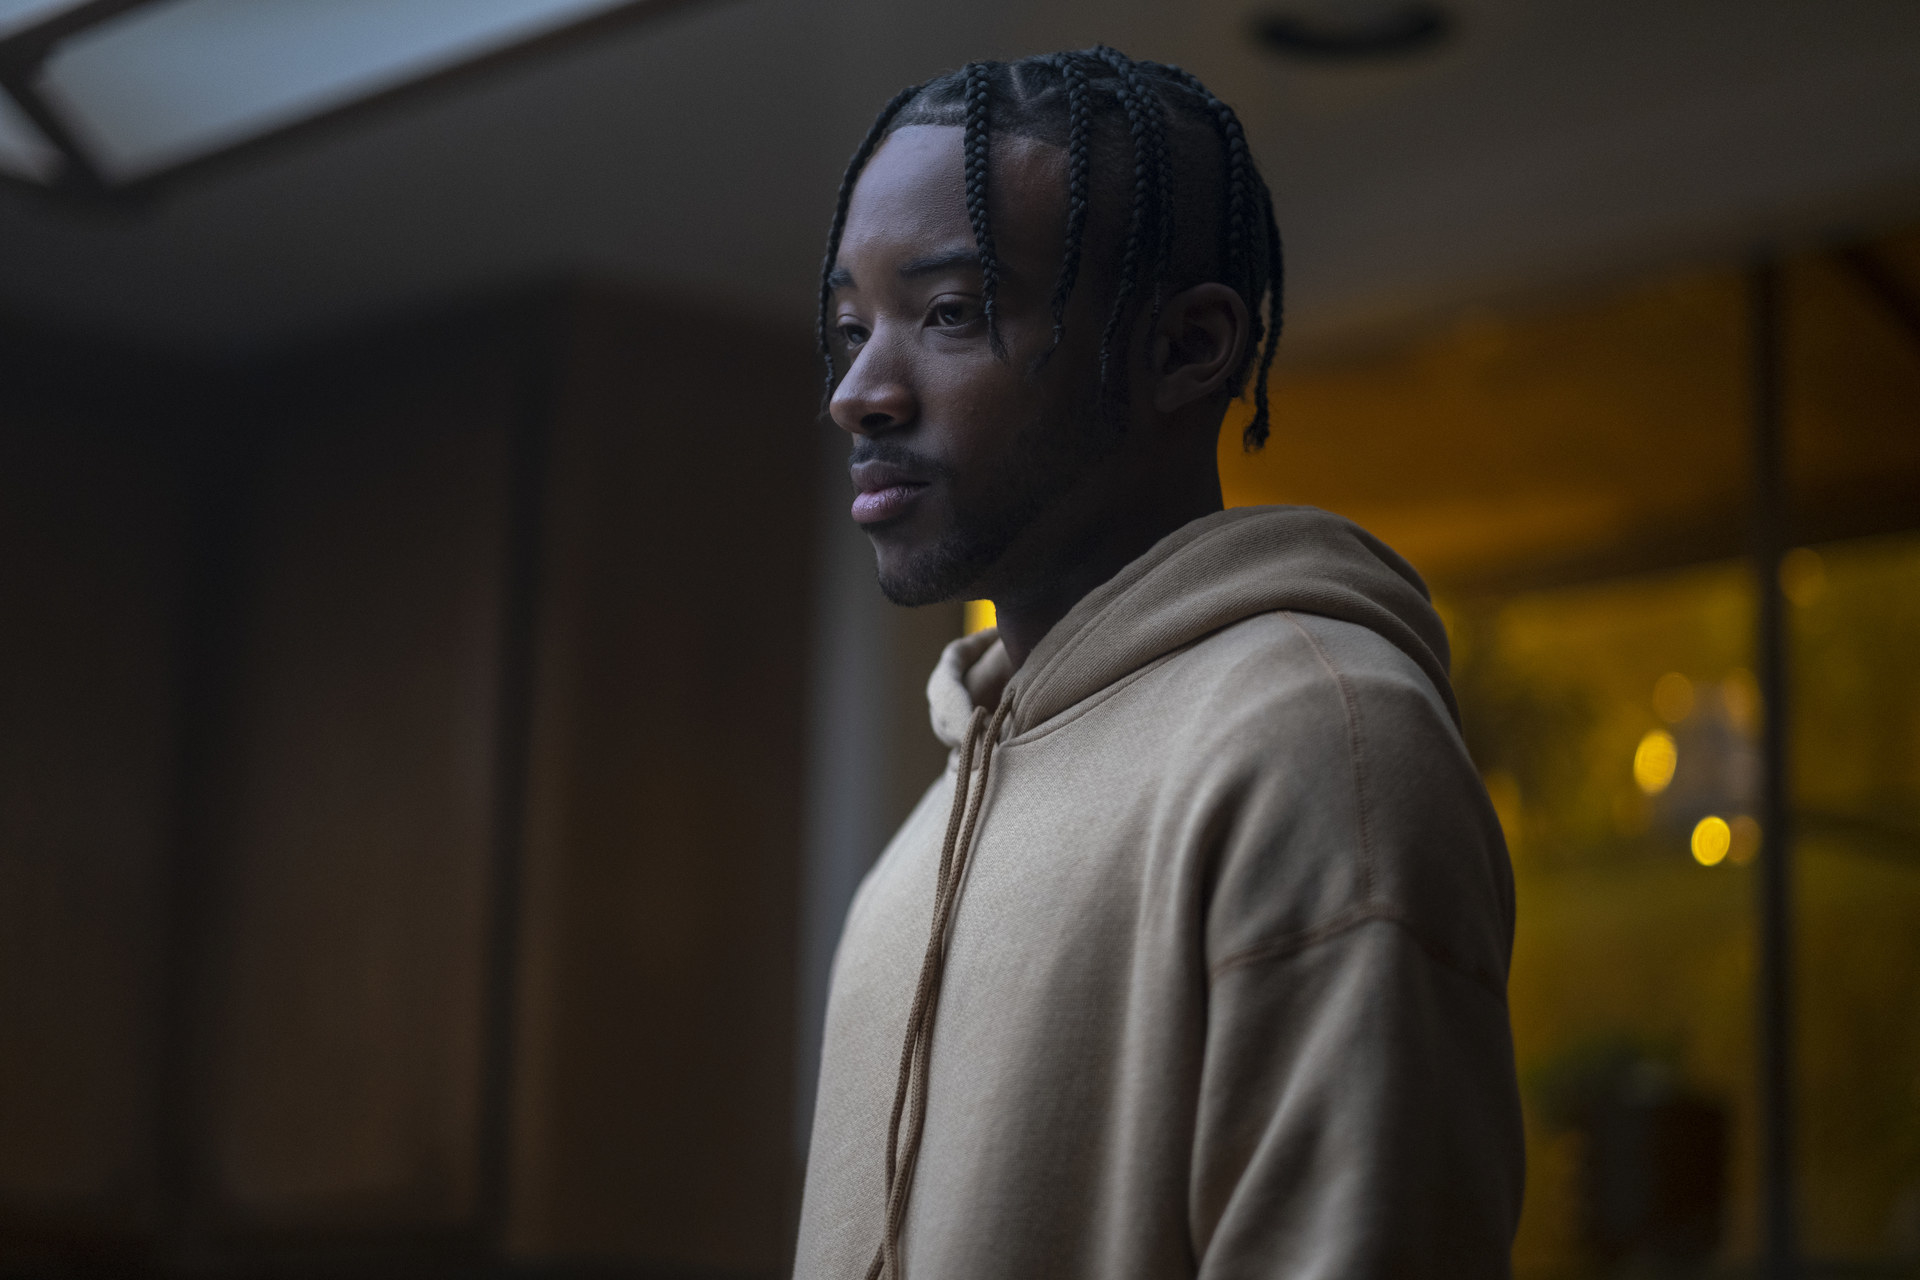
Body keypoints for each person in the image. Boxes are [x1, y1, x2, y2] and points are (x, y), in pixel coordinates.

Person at [796, 48, 1523, 1279]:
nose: (859, 393)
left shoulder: (1320, 745)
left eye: (951, 312)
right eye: (852, 328)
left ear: (1186, 348)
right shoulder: (903, 868)